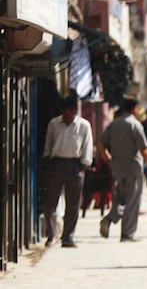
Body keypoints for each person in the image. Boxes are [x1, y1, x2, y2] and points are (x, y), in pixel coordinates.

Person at [97, 97, 147, 242]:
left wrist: (108, 158)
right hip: (133, 167)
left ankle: (109, 218)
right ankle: (127, 233)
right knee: (132, 200)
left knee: (120, 198)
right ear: (134, 108)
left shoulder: (114, 123)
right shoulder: (135, 124)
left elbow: (100, 143)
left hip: (118, 167)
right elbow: (143, 148)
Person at [42, 94, 94, 248]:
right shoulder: (54, 124)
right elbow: (48, 144)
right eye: (64, 113)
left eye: (70, 113)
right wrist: (48, 159)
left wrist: (84, 164)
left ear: (74, 111)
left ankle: (68, 237)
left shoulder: (83, 125)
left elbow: (87, 145)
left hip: (75, 164)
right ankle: (51, 235)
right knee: (49, 202)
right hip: (56, 163)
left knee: (73, 203)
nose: (67, 116)